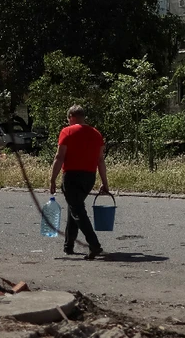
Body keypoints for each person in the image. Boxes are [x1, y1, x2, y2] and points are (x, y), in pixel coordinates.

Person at [49, 105, 109, 260]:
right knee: (74, 207)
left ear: (71, 117)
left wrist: (52, 179)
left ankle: (94, 244)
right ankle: (68, 245)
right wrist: (104, 182)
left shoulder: (67, 131)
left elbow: (59, 157)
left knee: (78, 211)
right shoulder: (96, 134)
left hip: (71, 176)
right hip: (89, 177)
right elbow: (100, 160)